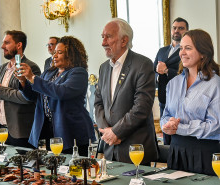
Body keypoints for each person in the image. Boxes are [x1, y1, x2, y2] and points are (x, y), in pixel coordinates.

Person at [15, 36, 96, 156]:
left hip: (71, 130)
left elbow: (61, 92)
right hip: (51, 129)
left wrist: (32, 77)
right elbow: (33, 96)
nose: (54, 56)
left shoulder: (78, 72)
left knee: (74, 169)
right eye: (54, 52)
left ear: (71, 54)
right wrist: (23, 81)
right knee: (55, 168)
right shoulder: (49, 72)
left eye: (59, 52)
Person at [94, 18, 158, 165]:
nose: (103, 42)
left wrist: (116, 132)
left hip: (135, 148)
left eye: (108, 37)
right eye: (102, 37)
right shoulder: (104, 68)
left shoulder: (143, 64)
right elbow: (98, 103)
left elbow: (141, 107)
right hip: (110, 148)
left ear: (124, 41)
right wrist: (107, 132)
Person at [160, 29, 220, 175]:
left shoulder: (215, 84)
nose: (182, 53)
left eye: (188, 48)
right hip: (176, 152)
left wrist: (179, 128)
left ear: (203, 53)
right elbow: (165, 115)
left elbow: (215, 126)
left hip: (205, 154)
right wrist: (166, 126)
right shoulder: (172, 83)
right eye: (181, 48)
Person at [0, 30, 41, 147]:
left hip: (20, 132)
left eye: (7, 43)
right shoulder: (2, 68)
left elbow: (26, 97)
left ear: (19, 45)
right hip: (0, 130)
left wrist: (0, 89)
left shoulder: (31, 67)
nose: (2, 46)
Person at [154, 17, 189, 145]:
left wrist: (167, 71)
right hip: (163, 98)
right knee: (165, 133)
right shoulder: (162, 51)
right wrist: (159, 74)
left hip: (179, 98)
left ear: (186, 31)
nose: (176, 31)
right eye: (174, 28)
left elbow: (187, 73)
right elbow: (154, 71)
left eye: (181, 28)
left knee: (177, 132)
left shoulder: (186, 51)